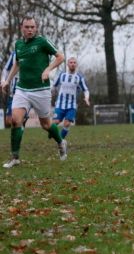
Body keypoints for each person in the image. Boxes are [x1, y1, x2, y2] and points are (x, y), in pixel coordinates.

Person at [0, 16, 66, 168]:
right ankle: (15, 157)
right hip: (22, 89)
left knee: (46, 124)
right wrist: (7, 81)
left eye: (32, 27)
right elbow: (17, 63)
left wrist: (48, 69)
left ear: (36, 28)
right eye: (27, 27)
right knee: (15, 120)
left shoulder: (42, 41)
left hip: (41, 90)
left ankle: (61, 142)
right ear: (22, 28)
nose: (30, 30)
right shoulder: (18, 44)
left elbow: (60, 57)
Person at [52, 57, 90, 139]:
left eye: (74, 62)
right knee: (55, 122)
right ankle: (55, 135)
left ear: (76, 64)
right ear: (68, 64)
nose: (72, 64)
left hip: (72, 105)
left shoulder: (79, 78)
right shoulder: (62, 75)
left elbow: (86, 90)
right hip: (60, 104)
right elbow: (54, 86)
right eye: (71, 62)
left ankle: (60, 142)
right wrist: (50, 95)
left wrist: (86, 98)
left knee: (67, 123)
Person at [1, 51, 29, 128]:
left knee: (16, 121)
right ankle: (23, 119)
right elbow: (6, 69)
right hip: (12, 93)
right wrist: (3, 81)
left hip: (24, 92)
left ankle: (23, 119)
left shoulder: (32, 53)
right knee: (8, 121)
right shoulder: (14, 54)